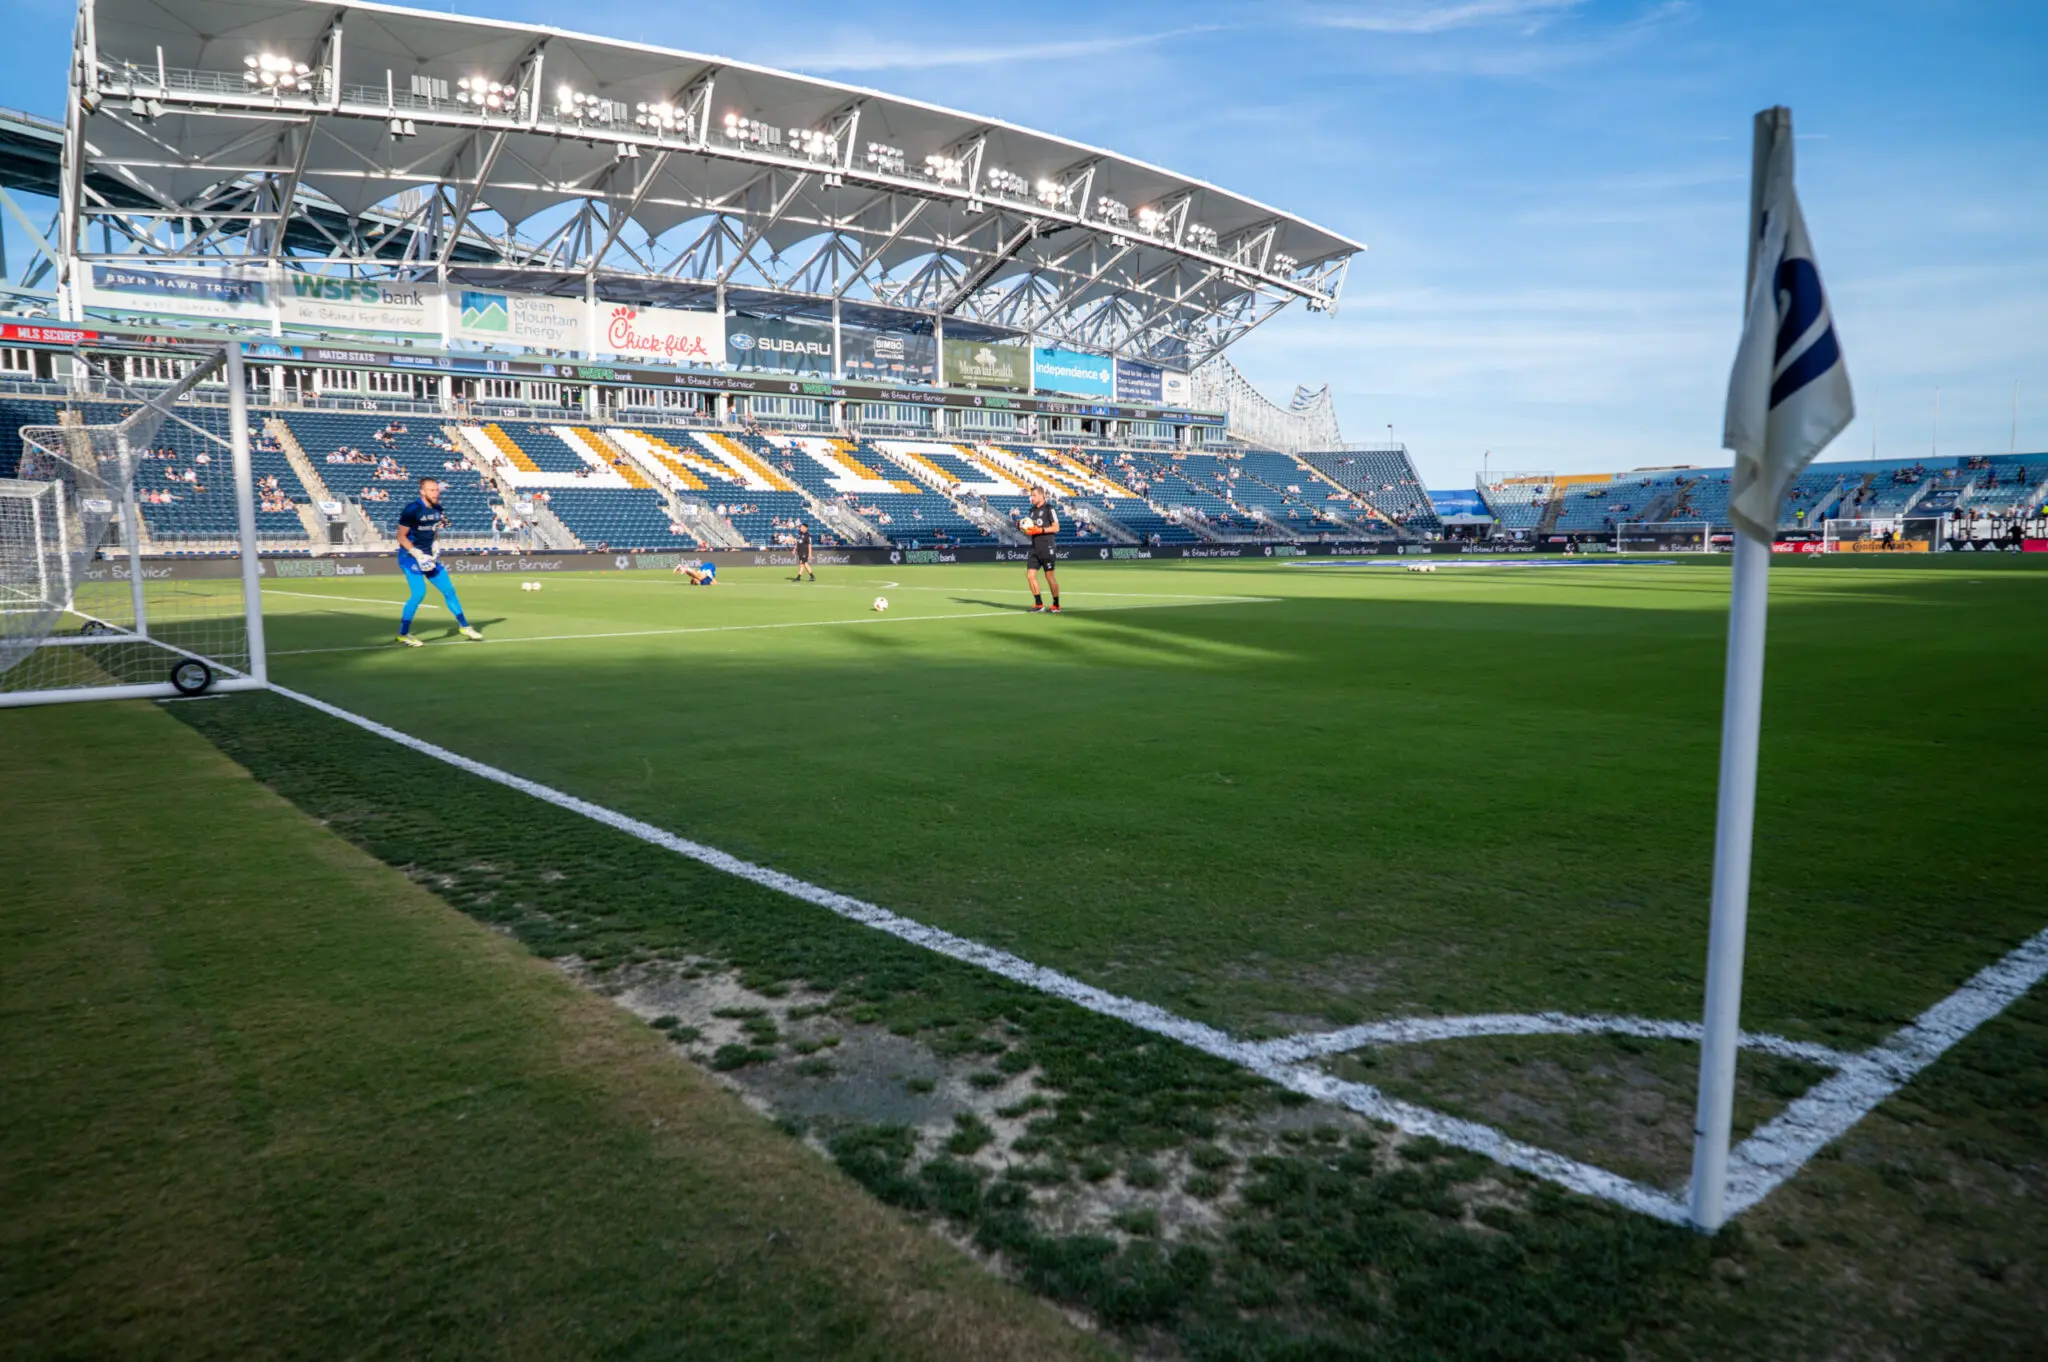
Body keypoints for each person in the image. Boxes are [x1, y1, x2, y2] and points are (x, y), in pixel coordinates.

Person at [395, 476, 484, 647]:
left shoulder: (437, 509)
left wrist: (435, 545)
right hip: (410, 558)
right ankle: (403, 634)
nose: (436, 493)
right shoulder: (411, 509)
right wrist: (416, 553)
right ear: (422, 491)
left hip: (429, 558)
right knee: (419, 593)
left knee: (449, 590)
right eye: (431, 490)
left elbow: (434, 530)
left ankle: (464, 626)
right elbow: (400, 536)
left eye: (437, 489)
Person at [1020, 486, 1062, 613]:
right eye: (1031, 495)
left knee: (1049, 577)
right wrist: (1024, 528)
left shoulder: (1050, 509)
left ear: (1041, 495)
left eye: (1033, 495)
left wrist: (1041, 530)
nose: (1031, 498)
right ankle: (1039, 604)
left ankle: (1056, 604)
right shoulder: (1031, 511)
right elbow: (1030, 527)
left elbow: (1056, 528)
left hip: (1047, 547)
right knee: (1030, 575)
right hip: (1034, 548)